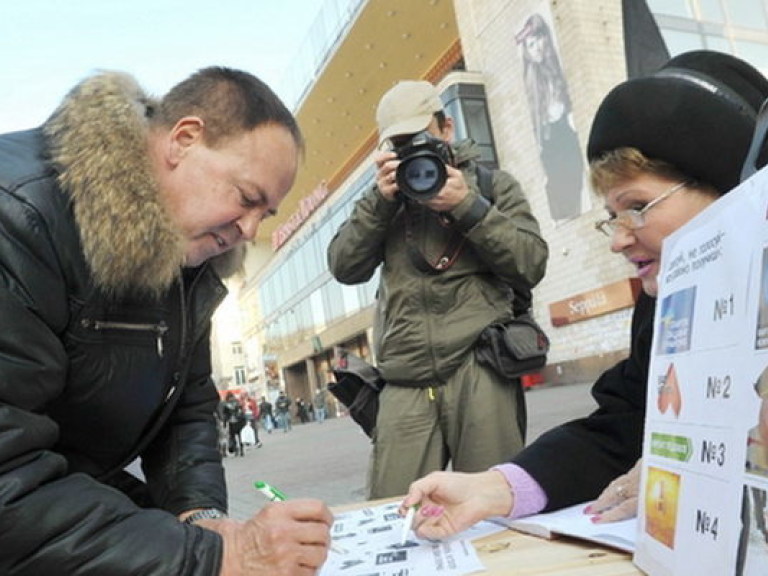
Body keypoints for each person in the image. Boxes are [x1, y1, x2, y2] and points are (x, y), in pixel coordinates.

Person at [398, 50, 768, 538]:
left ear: (736, 188)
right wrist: (496, 488)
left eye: (637, 206)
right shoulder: (661, 309)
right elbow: (623, 428)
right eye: (612, 216)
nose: (618, 237)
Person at [0, 67, 333, 574]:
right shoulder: (19, 216)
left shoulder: (190, 258)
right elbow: (7, 479)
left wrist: (200, 516)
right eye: (246, 197)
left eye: (265, 214)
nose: (247, 230)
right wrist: (222, 555)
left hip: (63, 490)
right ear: (185, 139)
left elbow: (187, 405)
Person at [327, 79, 548, 499]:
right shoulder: (382, 202)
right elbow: (343, 266)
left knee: (490, 511)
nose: (413, 151)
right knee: (392, 511)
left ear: (446, 128)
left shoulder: (491, 185)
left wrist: (467, 206)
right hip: (405, 377)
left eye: (421, 137)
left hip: (480, 366)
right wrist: (379, 203)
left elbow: (531, 262)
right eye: (400, 144)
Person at [516, 12, 586, 221]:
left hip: (566, 131)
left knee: (576, 179)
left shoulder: (556, 68)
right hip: (550, 139)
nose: (536, 47)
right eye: (530, 44)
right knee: (560, 187)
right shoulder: (531, 81)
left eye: (538, 40)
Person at [220, 392, 247, 456]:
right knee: (236, 437)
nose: (231, 399)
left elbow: (225, 415)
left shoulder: (232, 404)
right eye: (230, 397)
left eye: (231, 397)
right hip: (235, 423)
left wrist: (224, 422)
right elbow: (225, 414)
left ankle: (239, 450)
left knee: (236, 437)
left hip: (235, 423)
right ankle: (238, 450)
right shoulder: (235, 403)